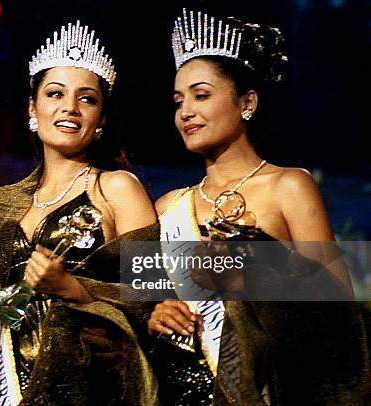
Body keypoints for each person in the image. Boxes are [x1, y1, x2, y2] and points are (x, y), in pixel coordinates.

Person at [146, 9, 368, 405]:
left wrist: (255, 267)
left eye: (201, 95)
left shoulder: (290, 186)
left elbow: (336, 312)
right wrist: (153, 313)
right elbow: (140, 300)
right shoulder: (167, 207)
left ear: (247, 102)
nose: (185, 112)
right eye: (178, 100)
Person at [0, 21, 158, 405]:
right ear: (33, 109)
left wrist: (72, 288)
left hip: (89, 389)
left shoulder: (117, 187)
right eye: (55, 94)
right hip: (5, 390)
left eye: (87, 99)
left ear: (101, 120)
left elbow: (153, 293)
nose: (70, 107)